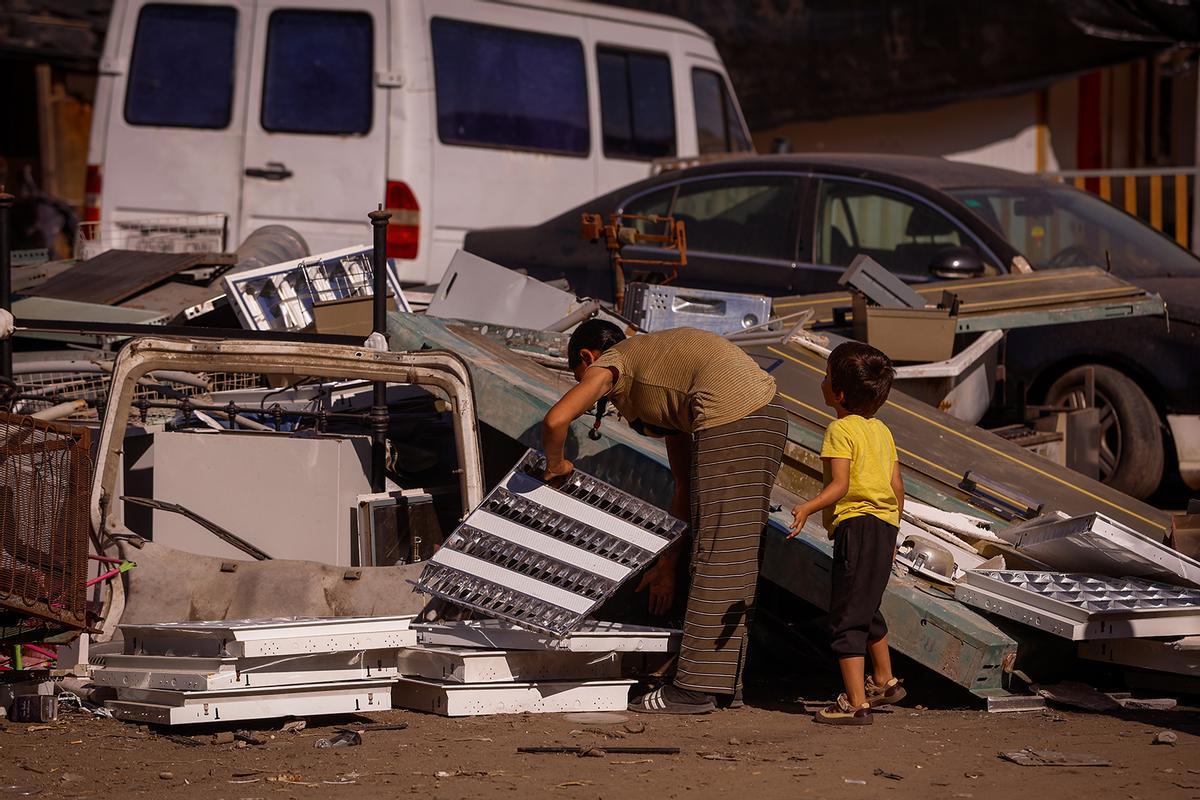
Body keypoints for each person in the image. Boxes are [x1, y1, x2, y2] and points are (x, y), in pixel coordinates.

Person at [541, 320, 788, 714]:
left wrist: (556, 465)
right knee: (735, 551)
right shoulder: (660, 366)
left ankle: (692, 690)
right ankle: (725, 685)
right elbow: (684, 487)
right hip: (766, 415)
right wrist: (666, 564)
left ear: (586, 358)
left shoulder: (610, 363)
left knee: (715, 554)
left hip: (733, 417)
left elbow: (555, 421)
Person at [788, 341, 907, 725]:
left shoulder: (840, 430)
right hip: (885, 526)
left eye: (826, 377)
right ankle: (885, 680)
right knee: (866, 606)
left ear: (838, 393)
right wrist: (892, 534)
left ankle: (856, 704)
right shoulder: (882, 432)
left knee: (847, 618)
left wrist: (807, 507)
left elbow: (840, 485)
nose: (821, 381)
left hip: (856, 526)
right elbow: (897, 487)